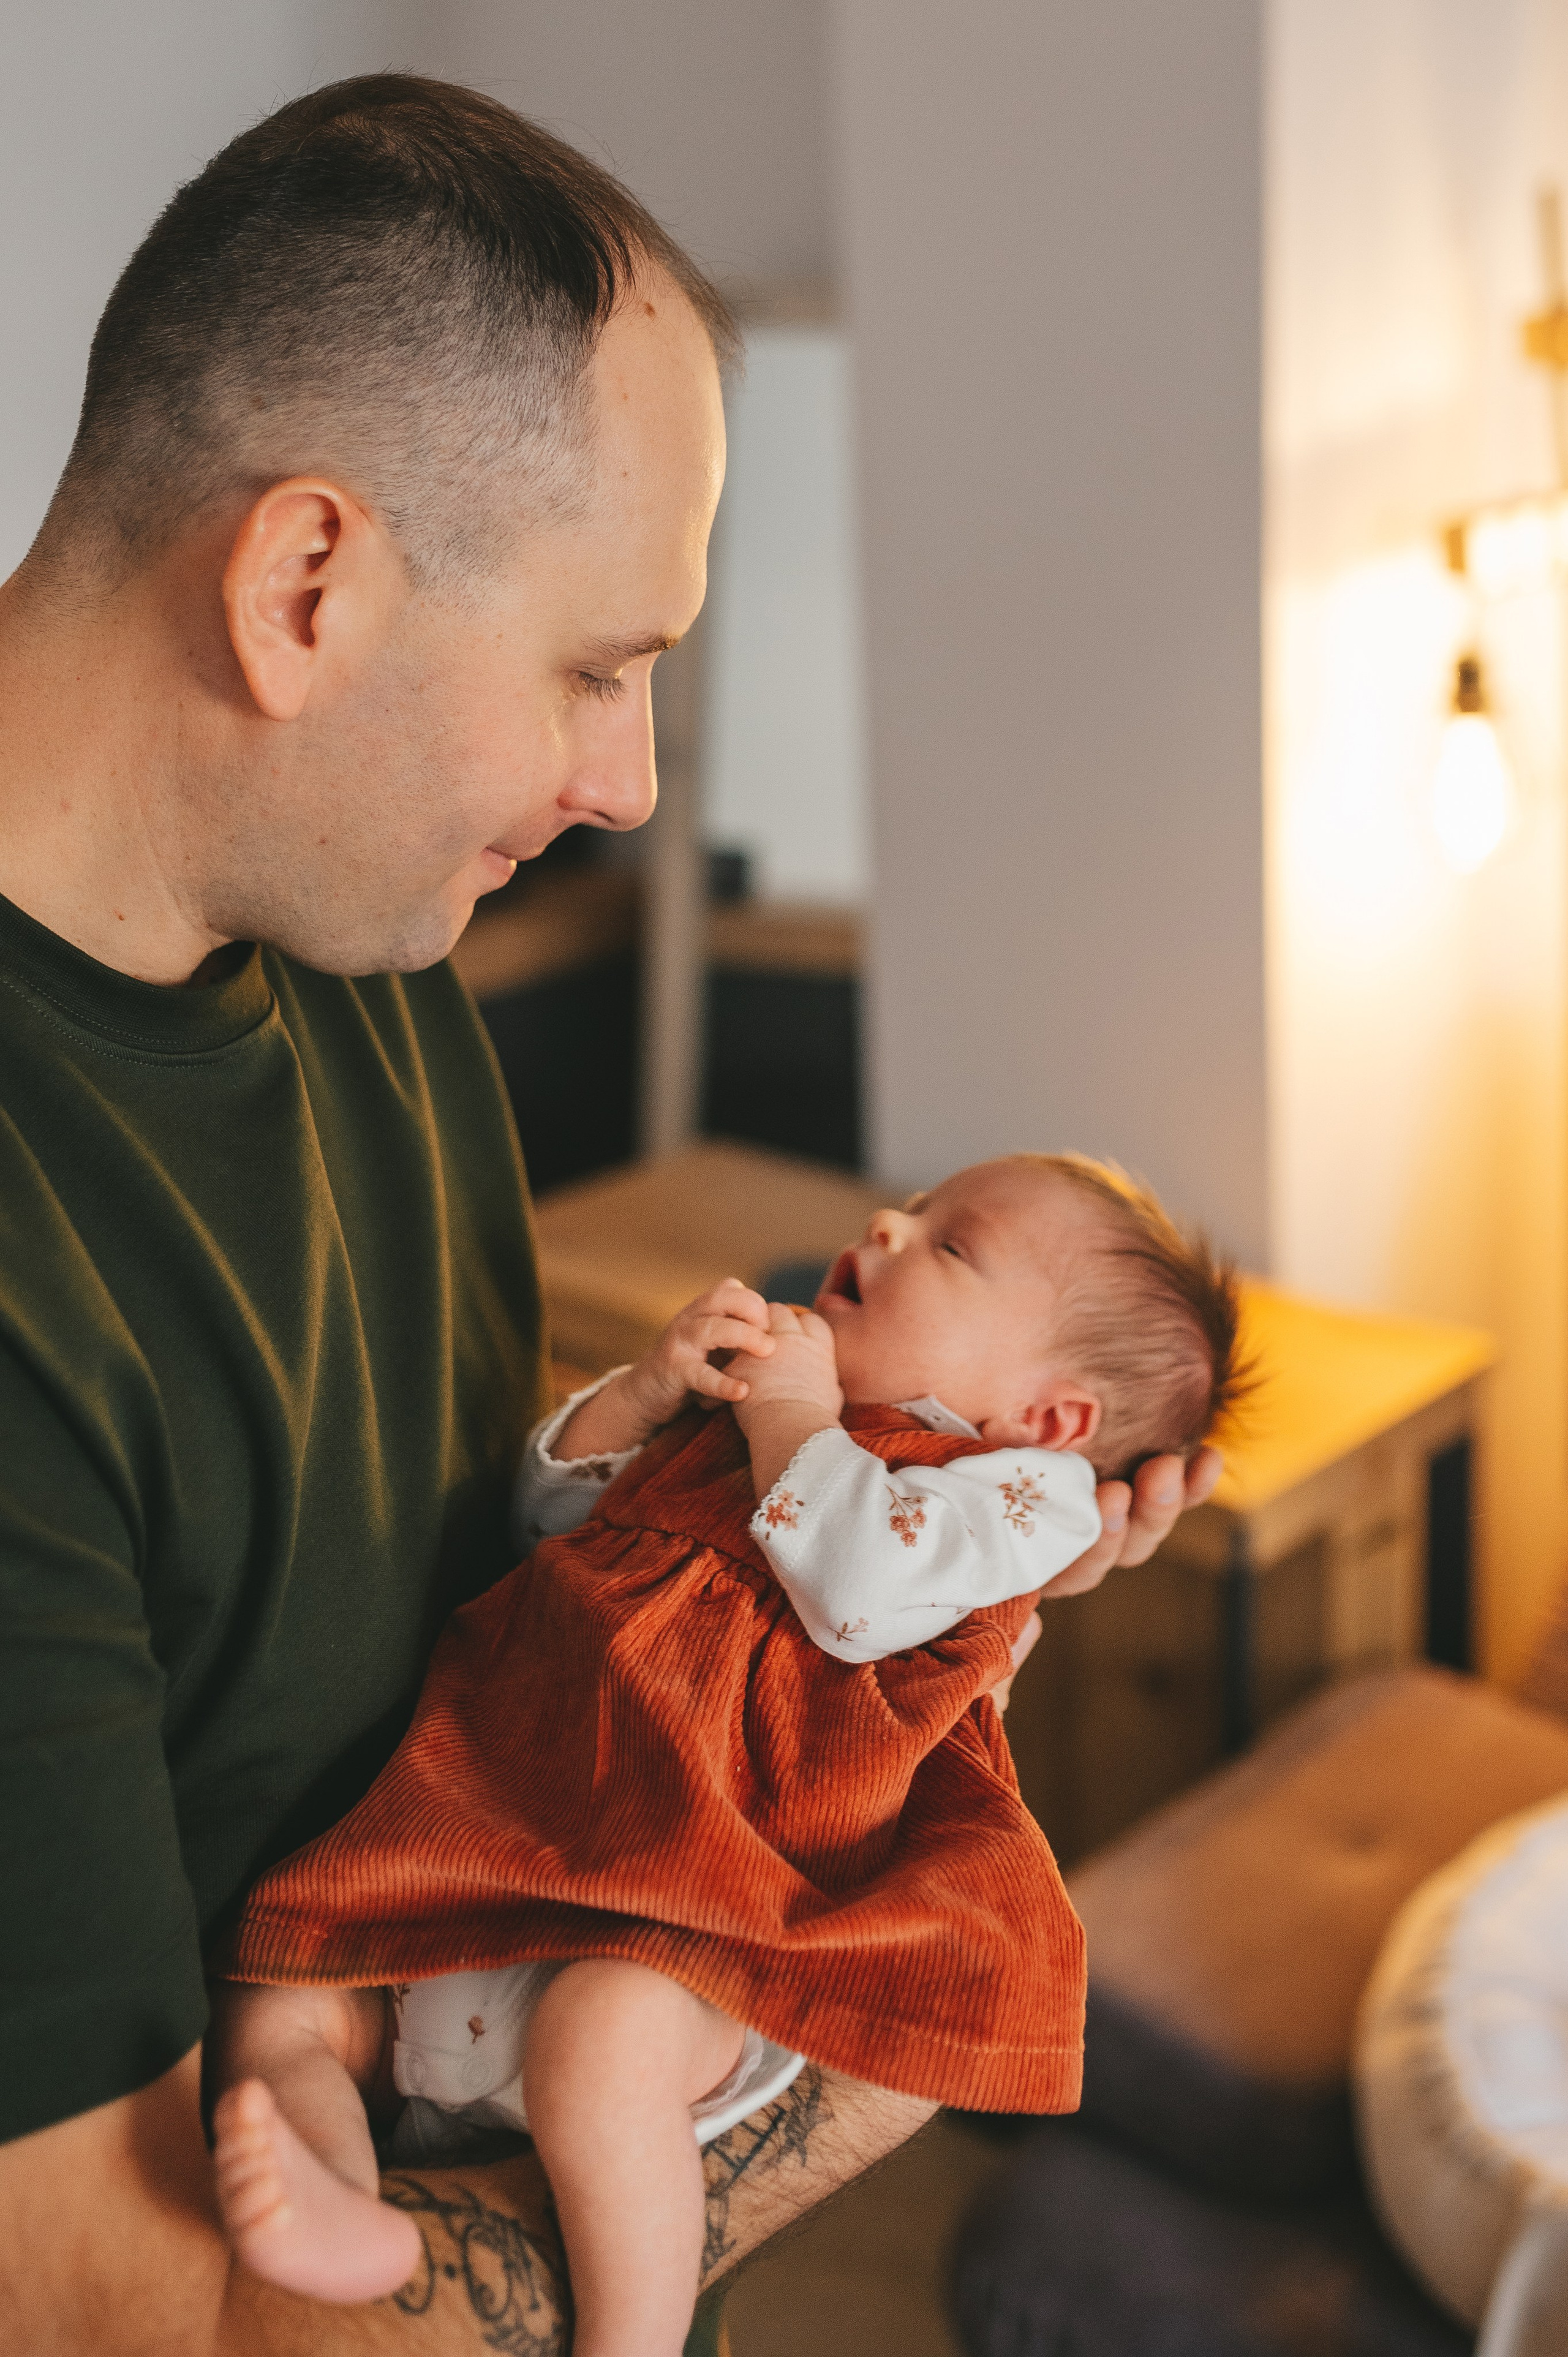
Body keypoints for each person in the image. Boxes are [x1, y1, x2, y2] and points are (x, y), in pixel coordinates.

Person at [0, 71, 1220, 2357]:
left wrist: (934, 1606)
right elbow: (110, 2307)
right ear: (305, 584)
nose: (629, 781)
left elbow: (510, 1570)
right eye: (600, 666)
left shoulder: (360, 954)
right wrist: (840, 2070)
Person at [202, 1152, 1242, 2357]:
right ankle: (336, 2197)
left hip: (700, 1903)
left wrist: (792, 1411)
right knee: (280, 1994)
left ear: (1049, 1421)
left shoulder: (1011, 1496)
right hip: (489, 1845)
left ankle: (630, 2336)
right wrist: (643, 1393)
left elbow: (854, 1592)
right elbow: (555, 1526)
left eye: (950, 1244)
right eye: (912, 1210)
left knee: (606, 2043)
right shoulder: (750, 1409)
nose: (888, 1224)